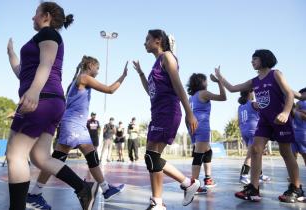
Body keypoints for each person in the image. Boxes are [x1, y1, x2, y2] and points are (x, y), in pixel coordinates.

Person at [6, 2, 99, 210]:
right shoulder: (43, 37)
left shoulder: (49, 34)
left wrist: (33, 92)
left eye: (35, 14)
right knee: (40, 157)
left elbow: (46, 63)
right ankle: (83, 188)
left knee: (15, 155)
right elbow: (23, 73)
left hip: (43, 99)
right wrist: (10, 53)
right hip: (51, 102)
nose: (33, 18)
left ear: (46, 16)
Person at [26, 56, 127, 209]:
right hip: (73, 124)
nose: (98, 72)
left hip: (77, 124)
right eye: (97, 68)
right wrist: (123, 75)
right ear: (91, 65)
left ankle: (106, 189)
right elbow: (110, 89)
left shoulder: (79, 78)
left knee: (88, 156)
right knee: (57, 160)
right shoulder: (84, 77)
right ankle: (34, 194)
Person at [215, 49, 304, 202]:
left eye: (254, 59)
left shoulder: (276, 74)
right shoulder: (254, 81)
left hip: (279, 119)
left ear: (264, 59)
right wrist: (220, 78)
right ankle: (253, 188)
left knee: (286, 153)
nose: (252, 62)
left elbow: (289, 94)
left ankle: (297, 188)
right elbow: (232, 88)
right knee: (255, 150)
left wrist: (285, 112)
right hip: (264, 120)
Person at [133, 29, 199, 210]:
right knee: (150, 158)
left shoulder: (167, 57)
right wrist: (140, 73)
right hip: (157, 113)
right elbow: (150, 92)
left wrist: (189, 112)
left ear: (157, 40)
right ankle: (159, 201)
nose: (144, 43)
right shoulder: (155, 64)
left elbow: (178, 86)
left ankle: (184, 185)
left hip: (168, 112)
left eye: (147, 39)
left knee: (153, 156)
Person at [187, 72, 226, 191]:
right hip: (202, 126)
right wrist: (219, 81)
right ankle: (194, 186)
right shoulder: (203, 93)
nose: (207, 82)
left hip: (192, 126)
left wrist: (190, 132)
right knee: (198, 156)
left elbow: (187, 116)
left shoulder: (191, 98)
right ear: (201, 83)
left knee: (207, 151)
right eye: (205, 80)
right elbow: (223, 97)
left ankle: (208, 179)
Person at [237, 90, 271, 184]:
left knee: (256, 154)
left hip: (244, 131)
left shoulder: (240, 106)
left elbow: (239, 121)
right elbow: (265, 106)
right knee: (251, 155)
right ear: (249, 94)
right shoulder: (253, 103)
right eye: (252, 91)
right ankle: (243, 175)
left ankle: (259, 175)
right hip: (254, 131)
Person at [291, 88, 306, 166]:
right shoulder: (298, 103)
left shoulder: (299, 104)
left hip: (301, 132)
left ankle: (293, 176)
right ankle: (293, 176)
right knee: (293, 155)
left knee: (302, 155)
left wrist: (299, 112)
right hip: (295, 133)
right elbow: (293, 112)